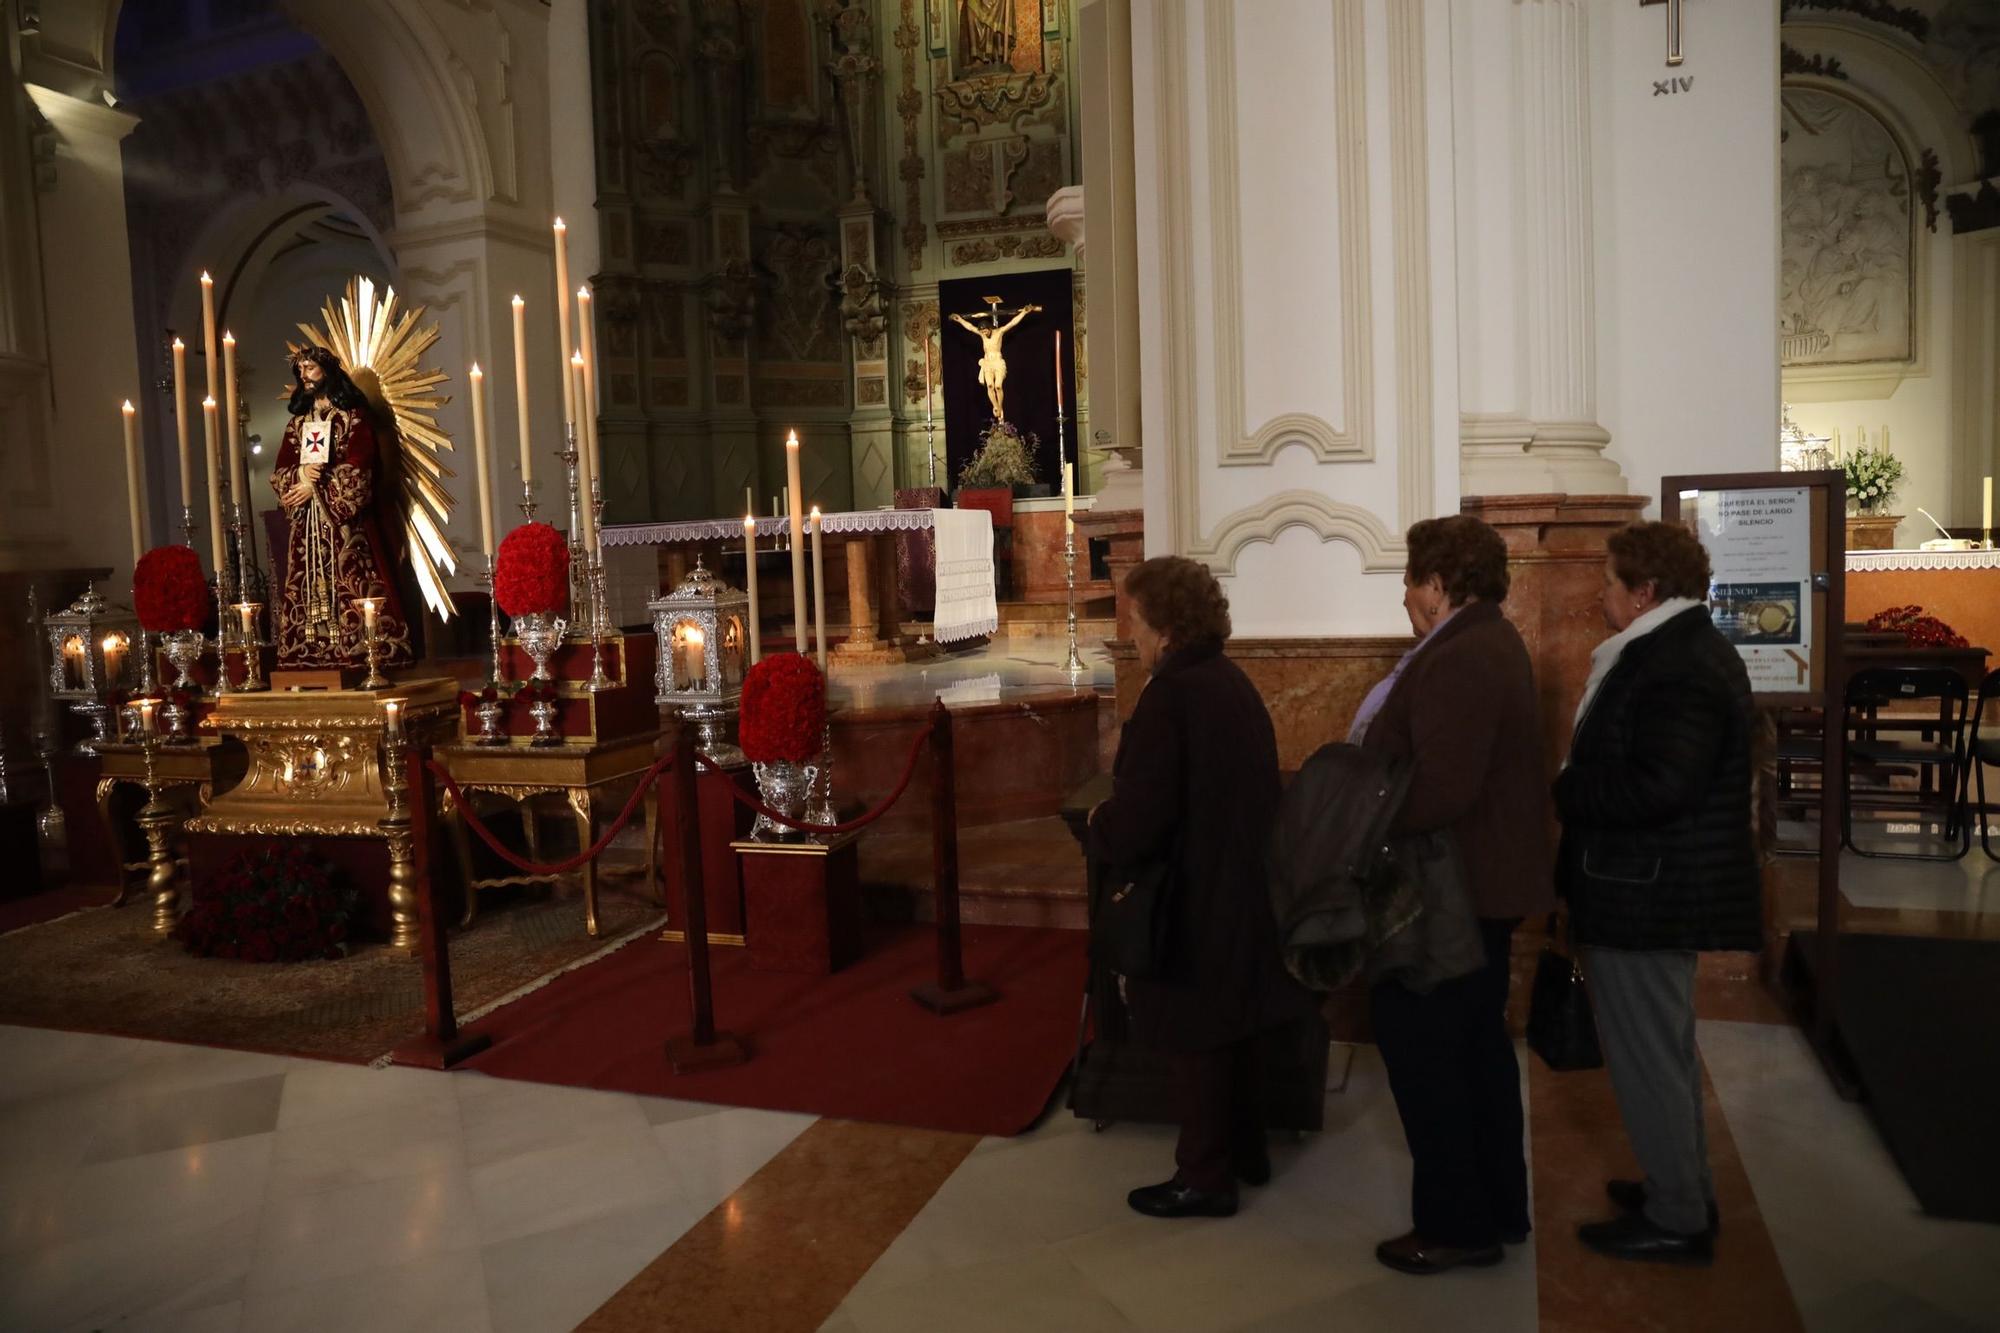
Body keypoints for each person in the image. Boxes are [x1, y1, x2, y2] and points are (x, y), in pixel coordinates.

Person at [1088, 556, 1316, 1219]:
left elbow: (1143, 818)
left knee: (1196, 1038)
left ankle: (1204, 1176)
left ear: (1164, 626)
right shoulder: (1229, 681)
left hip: (1193, 897)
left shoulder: (1172, 696)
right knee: (1231, 1028)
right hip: (1240, 886)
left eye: (1135, 619)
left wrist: (1104, 826)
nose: (1131, 634)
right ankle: (1245, 1151)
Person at [1354, 515, 1553, 1275]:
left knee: (1430, 1055)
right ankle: (1496, 1207)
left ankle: (1456, 1224)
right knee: (1474, 1052)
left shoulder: (1463, 655)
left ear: (1438, 584)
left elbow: (1441, 787)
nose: (1403, 596)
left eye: (1409, 580)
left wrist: (1362, 815)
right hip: (1472, 887)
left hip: (1455, 896)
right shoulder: (1477, 642)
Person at [1555, 521, 1758, 1265]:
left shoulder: (1678, 662)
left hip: (1645, 892)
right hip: (1645, 886)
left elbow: (1661, 784)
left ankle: (1677, 1214)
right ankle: (1682, 1187)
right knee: (1660, 1053)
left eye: (1608, 581)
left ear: (1644, 591)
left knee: (1648, 1057)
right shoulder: (1676, 649)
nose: (1598, 594)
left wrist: (1569, 787)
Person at [270, 346, 413, 670]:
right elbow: (281, 469)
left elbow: (360, 468)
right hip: (307, 525)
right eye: (301, 370)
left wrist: (316, 485)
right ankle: (309, 650)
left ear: (328, 371)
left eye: (311, 368)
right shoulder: (298, 425)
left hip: (344, 525)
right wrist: (299, 476)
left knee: (352, 576)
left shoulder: (353, 418)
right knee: (304, 583)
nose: (305, 375)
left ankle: (366, 650)